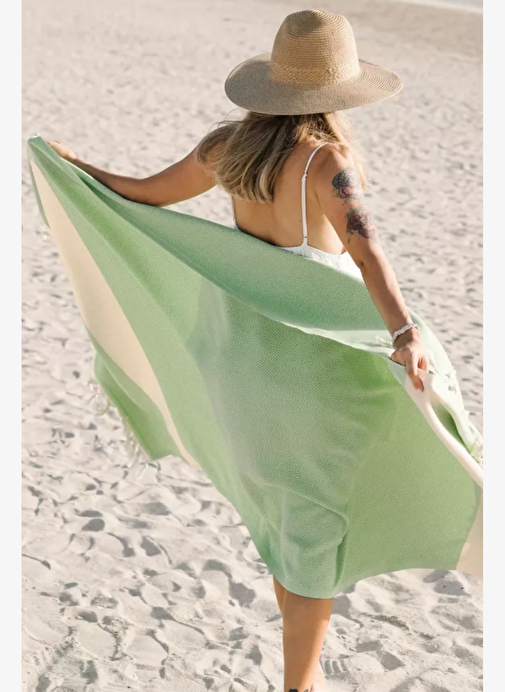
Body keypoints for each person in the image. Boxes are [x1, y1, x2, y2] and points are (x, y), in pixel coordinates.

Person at [47, 10, 431, 692]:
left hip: (242, 362)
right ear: (338, 92)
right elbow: (368, 252)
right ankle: (299, 684)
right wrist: (404, 332)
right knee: (314, 530)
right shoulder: (327, 161)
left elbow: (138, 195)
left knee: (288, 523)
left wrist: (76, 167)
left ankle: (302, 675)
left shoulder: (228, 149)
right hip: (315, 368)